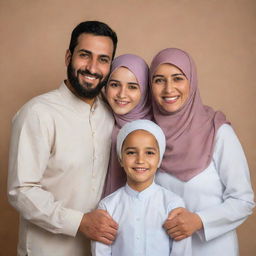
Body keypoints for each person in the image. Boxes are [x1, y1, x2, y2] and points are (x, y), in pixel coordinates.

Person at [8, 21, 119, 256]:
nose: (92, 67)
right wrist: (79, 222)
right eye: (85, 55)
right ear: (69, 57)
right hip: (45, 250)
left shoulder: (111, 114)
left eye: (103, 59)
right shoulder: (38, 113)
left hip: (97, 250)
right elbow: (22, 190)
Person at [149, 48, 255, 255]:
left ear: (192, 81)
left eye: (178, 78)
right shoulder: (147, 135)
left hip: (213, 249)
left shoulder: (217, 131)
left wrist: (199, 221)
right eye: (159, 80)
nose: (168, 89)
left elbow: (243, 201)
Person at [92, 120, 192, 256]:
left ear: (159, 160)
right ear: (121, 159)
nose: (140, 160)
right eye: (131, 152)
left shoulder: (173, 205)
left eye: (149, 153)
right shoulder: (108, 207)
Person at [102, 54, 152, 196]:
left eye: (132, 87)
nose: (122, 94)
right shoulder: (100, 120)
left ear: (145, 90)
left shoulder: (153, 131)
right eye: (115, 85)